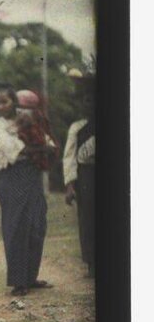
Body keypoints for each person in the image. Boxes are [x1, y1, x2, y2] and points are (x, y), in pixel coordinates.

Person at [0, 83, 56, 296]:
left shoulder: (31, 119)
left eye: (4, 101)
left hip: (32, 176)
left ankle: (31, 277)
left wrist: (43, 147)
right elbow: (8, 147)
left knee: (36, 225)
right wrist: (40, 148)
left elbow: (50, 143)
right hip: (12, 176)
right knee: (16, 227)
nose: (0, 106)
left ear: (14, 101)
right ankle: (18, 282)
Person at [63, 73, 96, 278]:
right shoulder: (77, 127)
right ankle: (92, 262)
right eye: (86, 99)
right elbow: (69, 157)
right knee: (88, 219)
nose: (90, 103)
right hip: (86, 176)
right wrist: (70, 185)